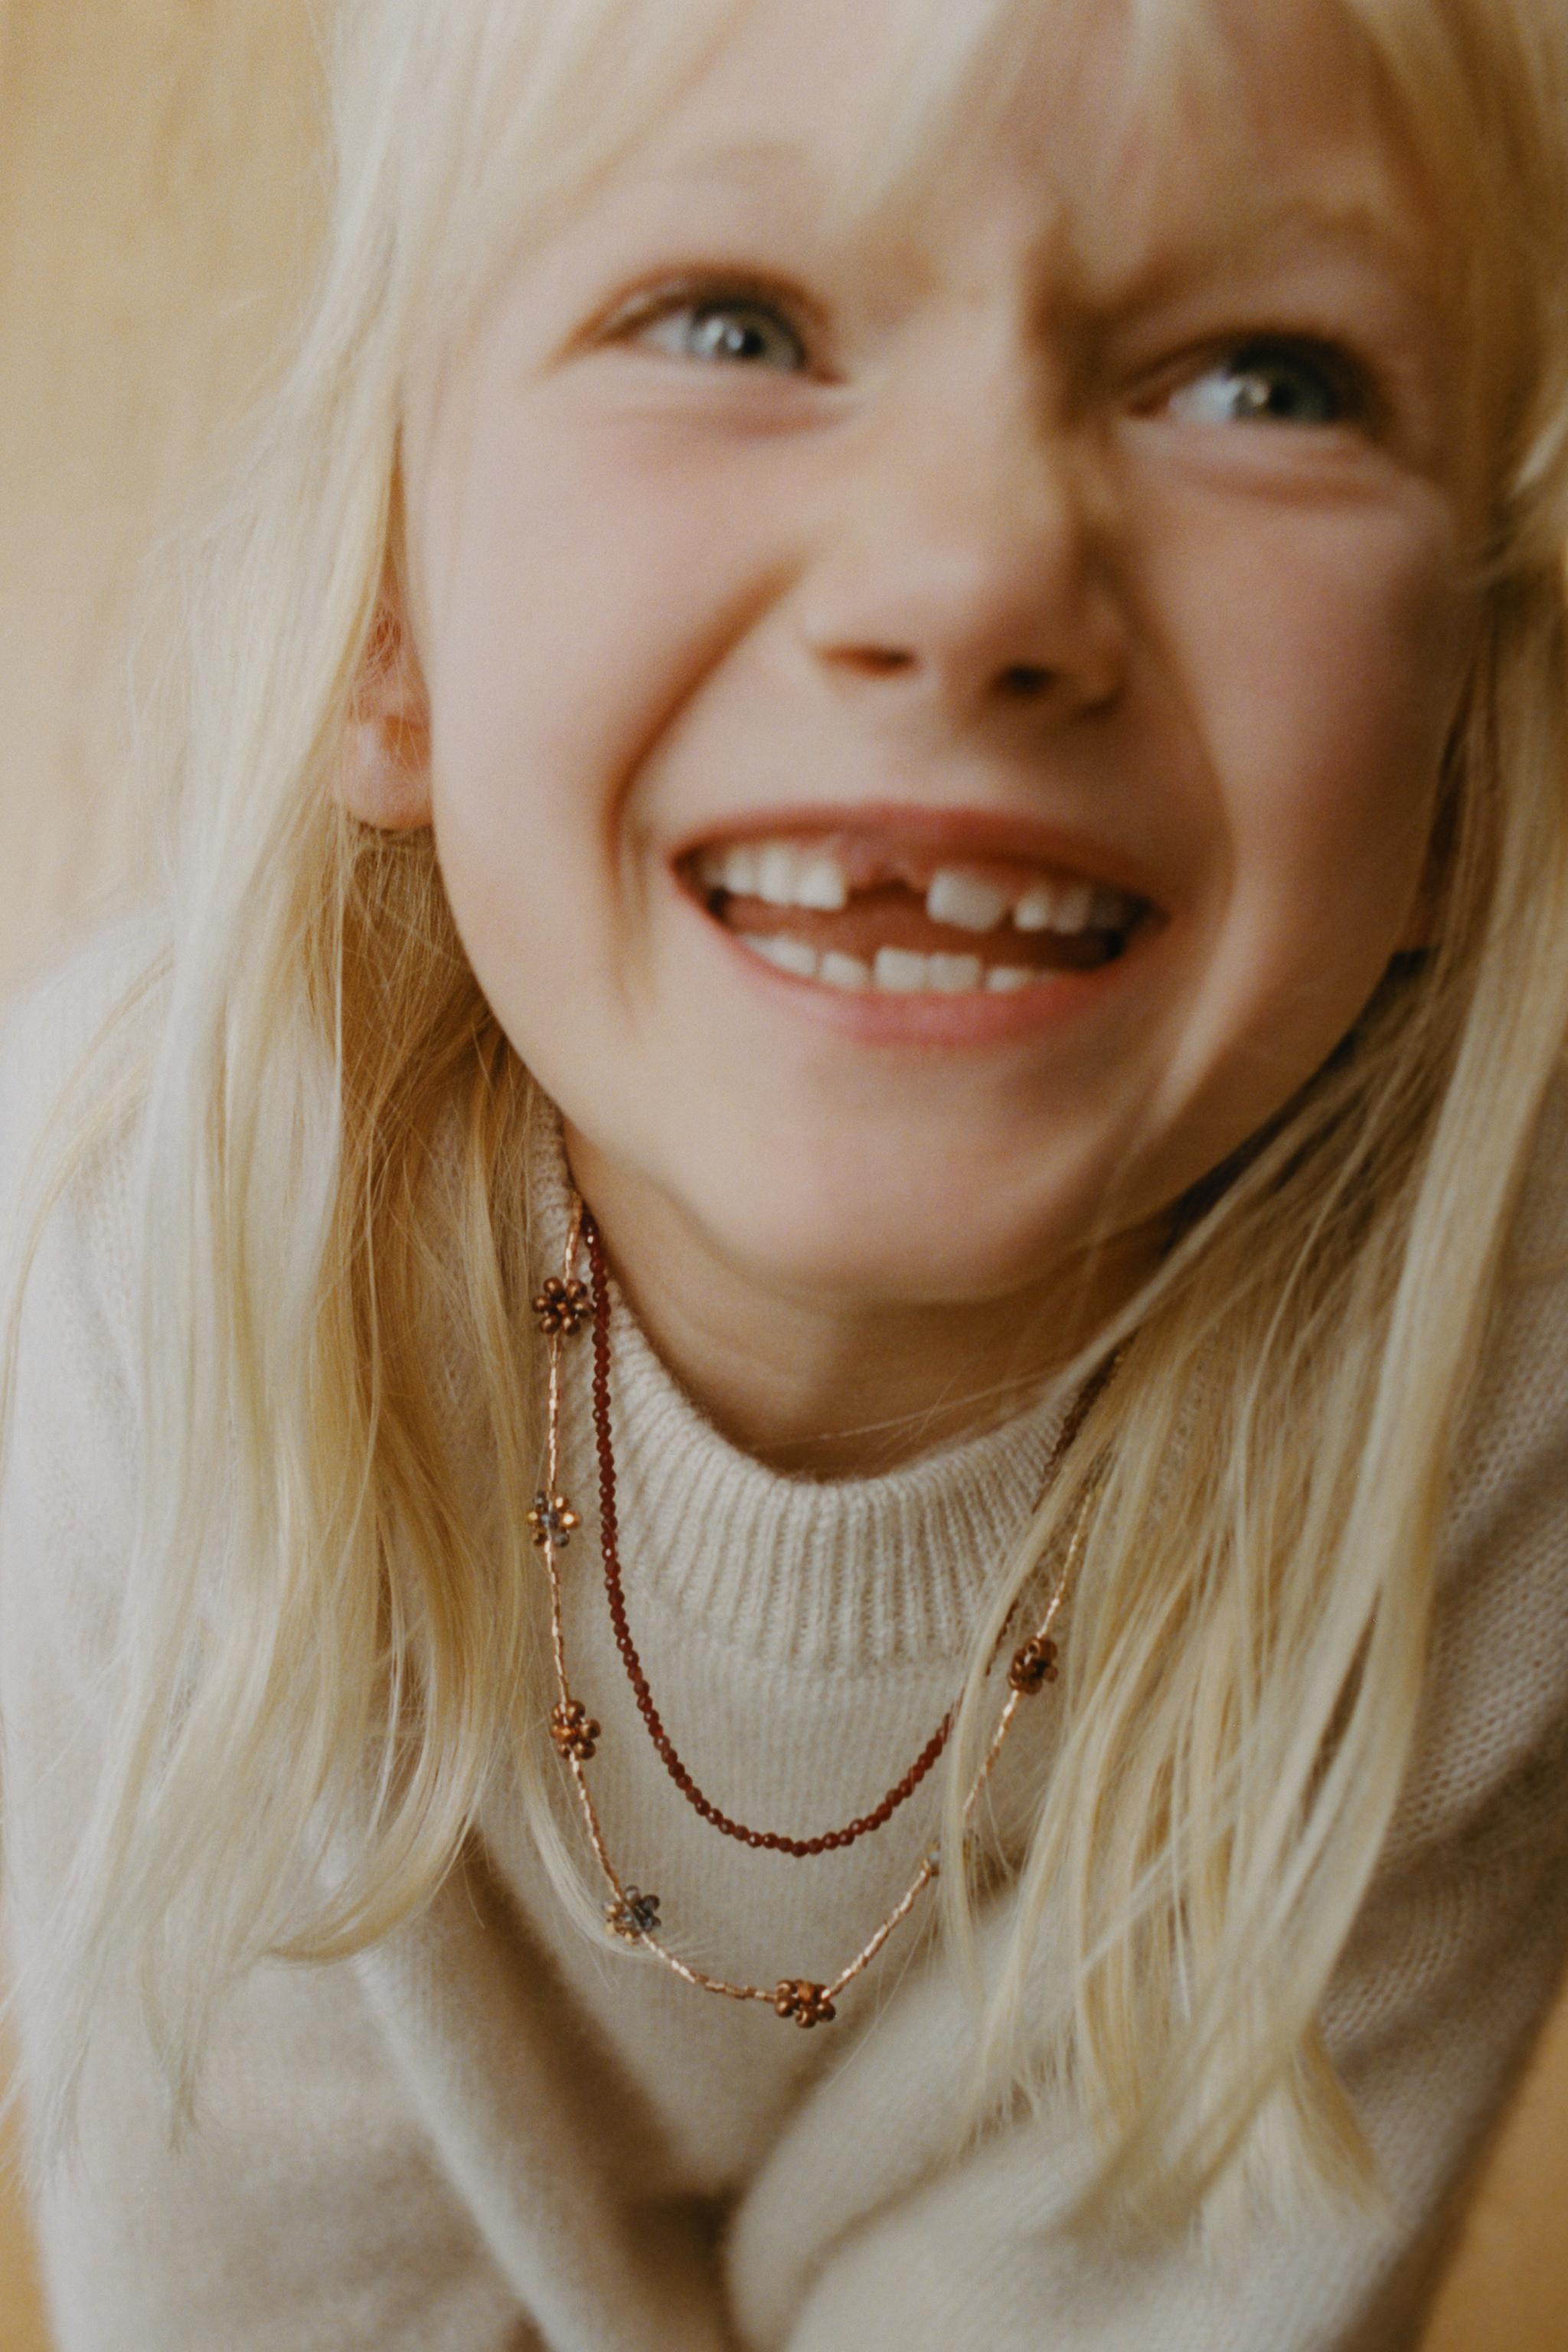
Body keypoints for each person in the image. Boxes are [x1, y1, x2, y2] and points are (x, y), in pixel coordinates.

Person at [5, 0, 1568, 2343]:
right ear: (391, 628)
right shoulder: (141, 1237)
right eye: (729, 323)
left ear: (1461, 741)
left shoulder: (1501, 1399)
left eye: (1265, 379)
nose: (974, 576)